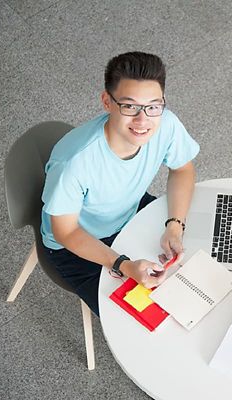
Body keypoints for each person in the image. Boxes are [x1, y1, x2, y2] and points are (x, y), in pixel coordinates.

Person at [41, 52, 199, 317]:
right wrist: (123, 265)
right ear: (107, 101)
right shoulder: (74, 162)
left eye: (153, 106)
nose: (143, 120)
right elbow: (66, 233)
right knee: (143, 320)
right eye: (129, 106)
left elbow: (182, 169)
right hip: (78, 243)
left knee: (198, 270)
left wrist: (174, 226)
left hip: (129, 208)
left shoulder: (166, 124)